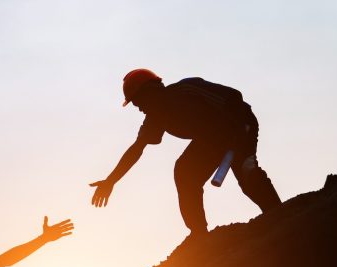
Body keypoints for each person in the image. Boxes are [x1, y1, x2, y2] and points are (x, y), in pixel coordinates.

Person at [90, 68, 281, 240]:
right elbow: (137, 149)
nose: (139, 108)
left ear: (152, 90)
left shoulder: (186, 89)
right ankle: (198, 234)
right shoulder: (155, 118)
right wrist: (111, 181)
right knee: (184, 172)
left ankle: (279, 215)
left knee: (246, 171)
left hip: (240, 125)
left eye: (139, 101)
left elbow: (233, 97)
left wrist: (239, 133)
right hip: (211, 140)